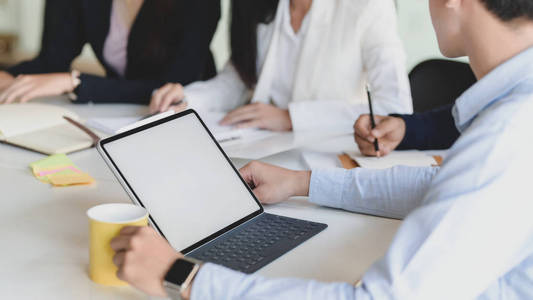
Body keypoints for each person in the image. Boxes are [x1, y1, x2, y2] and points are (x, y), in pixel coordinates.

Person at [111, 0, 533, 299]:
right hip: (284, 159)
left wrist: (181, 276)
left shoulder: (506, 135)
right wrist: (302, 183)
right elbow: (439, 182)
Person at [149, 0, 412, 133]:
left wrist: (291, 118)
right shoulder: (257, 5)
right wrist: (187, 98)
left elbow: (395, 109)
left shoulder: (369, 5)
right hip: (259, 147)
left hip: (328, 155)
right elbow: (239, 78)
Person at [0, 0, 220, 104]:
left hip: (187, 113)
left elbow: (174, 85)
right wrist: (10, 76)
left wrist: (75, 82)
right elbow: (51, 61)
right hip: (113, 115)